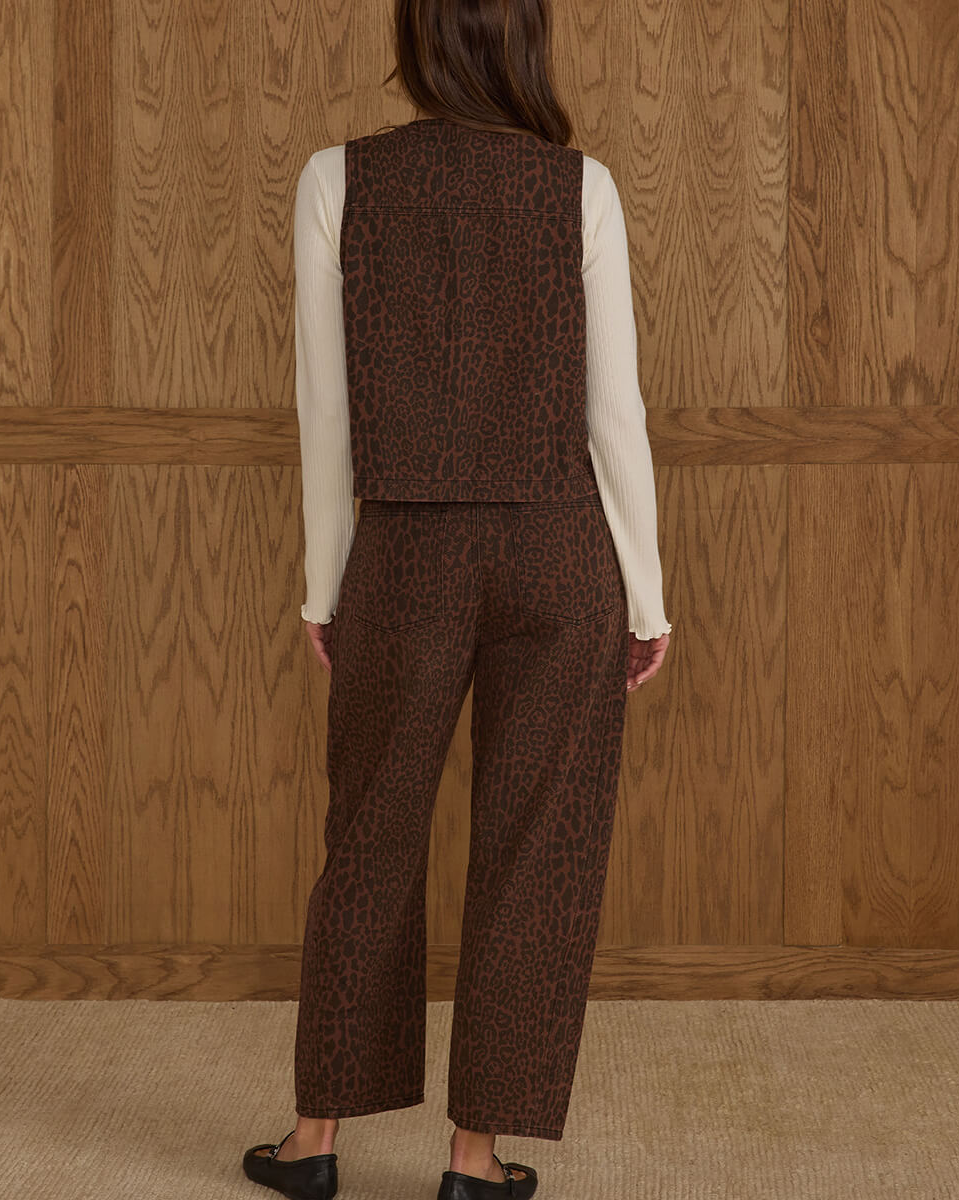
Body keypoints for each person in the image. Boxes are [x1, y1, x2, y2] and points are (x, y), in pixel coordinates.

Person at [243, 2, 672, 1197]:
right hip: (558, 549)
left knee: (369, 835)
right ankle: (475, 1164)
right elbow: (613, 413)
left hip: (405, 552)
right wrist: (646, 597)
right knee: (539, 849)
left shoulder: (336, 180)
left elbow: (325, 409)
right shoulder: (579, 189)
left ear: (414, 39)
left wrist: (325, 585)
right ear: (523, 42)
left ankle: (313, 1144)